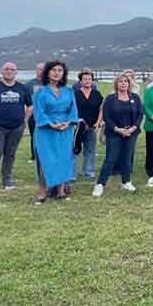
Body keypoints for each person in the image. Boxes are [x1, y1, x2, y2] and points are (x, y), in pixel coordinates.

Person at [32, 61, 79, 204]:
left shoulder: (68, 91)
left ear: (63, 74)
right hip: (46, 130)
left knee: (64, 159)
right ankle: (42, 192)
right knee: (46, 160)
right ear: (48, 72)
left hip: (65, 129)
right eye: (53, 70)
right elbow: (38, 111)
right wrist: (51, 124)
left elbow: (73, 110)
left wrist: (69, 123)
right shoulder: (40, 91)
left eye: (60, 70)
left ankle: (61, 191)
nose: (57, 72)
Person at [92, 74, 143, 197]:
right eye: (121, 81)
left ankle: (126, 182)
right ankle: (100, 185)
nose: (124, 83)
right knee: (111, 158)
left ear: (129, 84)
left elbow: (140, 114)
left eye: (126, 81)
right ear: (116, 84)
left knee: (127, 158)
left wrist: (133, 128)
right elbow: (107, 116)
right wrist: (118, 129)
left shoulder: (135, 97)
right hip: (114, 133)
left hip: (131, 132)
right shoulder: (110, 98)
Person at [0, 62, 32, 192]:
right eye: (6, 69)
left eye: (12, 69)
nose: (9, 71)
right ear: (1, 72)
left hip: (16, 127)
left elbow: (30, 105)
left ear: (16, 72)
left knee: (10, 154)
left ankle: (7, 181)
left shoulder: (22, 88)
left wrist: (25, 119)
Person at [73, 70, 103, 181]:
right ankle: (72, 174)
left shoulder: (96, 94)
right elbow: (71, 109)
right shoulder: (75, 94)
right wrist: (76, 121)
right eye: (85, 79)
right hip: (77, 127)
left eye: (89, 79)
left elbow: (101, 109)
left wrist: (98, 122)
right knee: (74, 150)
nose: (87, 81)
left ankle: (88, 171)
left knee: (90, 150)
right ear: (80, 81)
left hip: (92, 127)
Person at [25, 62, 44, 161]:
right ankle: (34, 156)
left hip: (47, 115)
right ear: (36, 70)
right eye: (39, 69)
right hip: (33, 115)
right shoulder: (29, 84)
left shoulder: (50, 83)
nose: (41, 71)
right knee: (34, 136)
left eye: (43, 69)